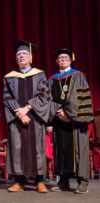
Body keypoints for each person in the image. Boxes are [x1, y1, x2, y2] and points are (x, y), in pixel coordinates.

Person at [3, 41, 50, 193]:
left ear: (31, 57)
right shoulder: (10, 77)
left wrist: (27, 108)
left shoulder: (39, 74)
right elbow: (7, 98)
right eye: (18, 54)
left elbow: (44, 95)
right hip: (17, 119)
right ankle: (19, 181)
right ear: (16, 59)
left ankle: (39, 180)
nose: (21, 56)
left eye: (24, 54)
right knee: (17, 148)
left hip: (35, 117)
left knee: (38, 148)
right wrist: (19, 113)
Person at [48, 48, 94, 194]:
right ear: (56, 61)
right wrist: (57, 111)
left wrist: (67, 112)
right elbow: (48, 99)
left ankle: (82, 182)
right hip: (59, 120)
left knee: (80, 149)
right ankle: (63, 181)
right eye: (60, 57)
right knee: (61, 150)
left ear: (71, 59)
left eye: (65, 57)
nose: (63, 59)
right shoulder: (52, 79)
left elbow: (79, 96)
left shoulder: (78, 75)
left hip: (76, 121)